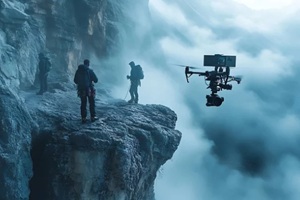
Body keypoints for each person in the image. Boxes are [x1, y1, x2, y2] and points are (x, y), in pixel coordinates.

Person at [74, 59, 98, 123]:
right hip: (89, 89)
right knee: (91, 103)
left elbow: (75, 81)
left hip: (81, 89)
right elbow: (96, 80)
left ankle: (83, 118)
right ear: (88, 64)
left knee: (83, 103)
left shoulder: (78, 71)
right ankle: (93, 117)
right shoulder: (90, 71)